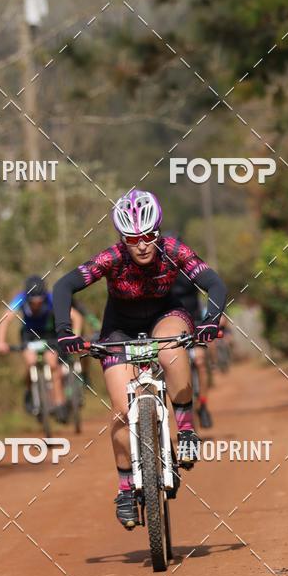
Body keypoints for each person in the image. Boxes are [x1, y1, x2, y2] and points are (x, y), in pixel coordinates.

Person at [52, 190, 226, 529]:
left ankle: (186, 430)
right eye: (133, 239)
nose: (143, 245)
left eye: (148, 236)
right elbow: (63, 286)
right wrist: (63, 331)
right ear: (122, 239)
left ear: (158, 232)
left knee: (170, 348)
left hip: (166, 316)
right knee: (121, 410)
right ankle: (125, 488)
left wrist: (210, 320)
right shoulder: (111, 258)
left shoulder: (173, 250)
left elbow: (213, 282)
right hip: (119, 328)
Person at [0, 275, 82, 421]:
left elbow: (76, 317)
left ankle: (59, 403)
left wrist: (75, 338)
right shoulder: (20, 298)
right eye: (33, 302)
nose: (36, 305)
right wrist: (0, 342)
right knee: (30, 362)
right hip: (28, 335)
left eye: (39, 301)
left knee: (53, 364)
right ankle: (30, 392)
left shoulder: (51, 298)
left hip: (48, 334)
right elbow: (5, 319)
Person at [168, 250, 214, 428]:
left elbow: (209, 291)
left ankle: (203, 404)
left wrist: (211, 319)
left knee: (200, 361)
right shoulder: (159, 273)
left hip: (194, 322)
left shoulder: (190, 270)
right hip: (169, 326)